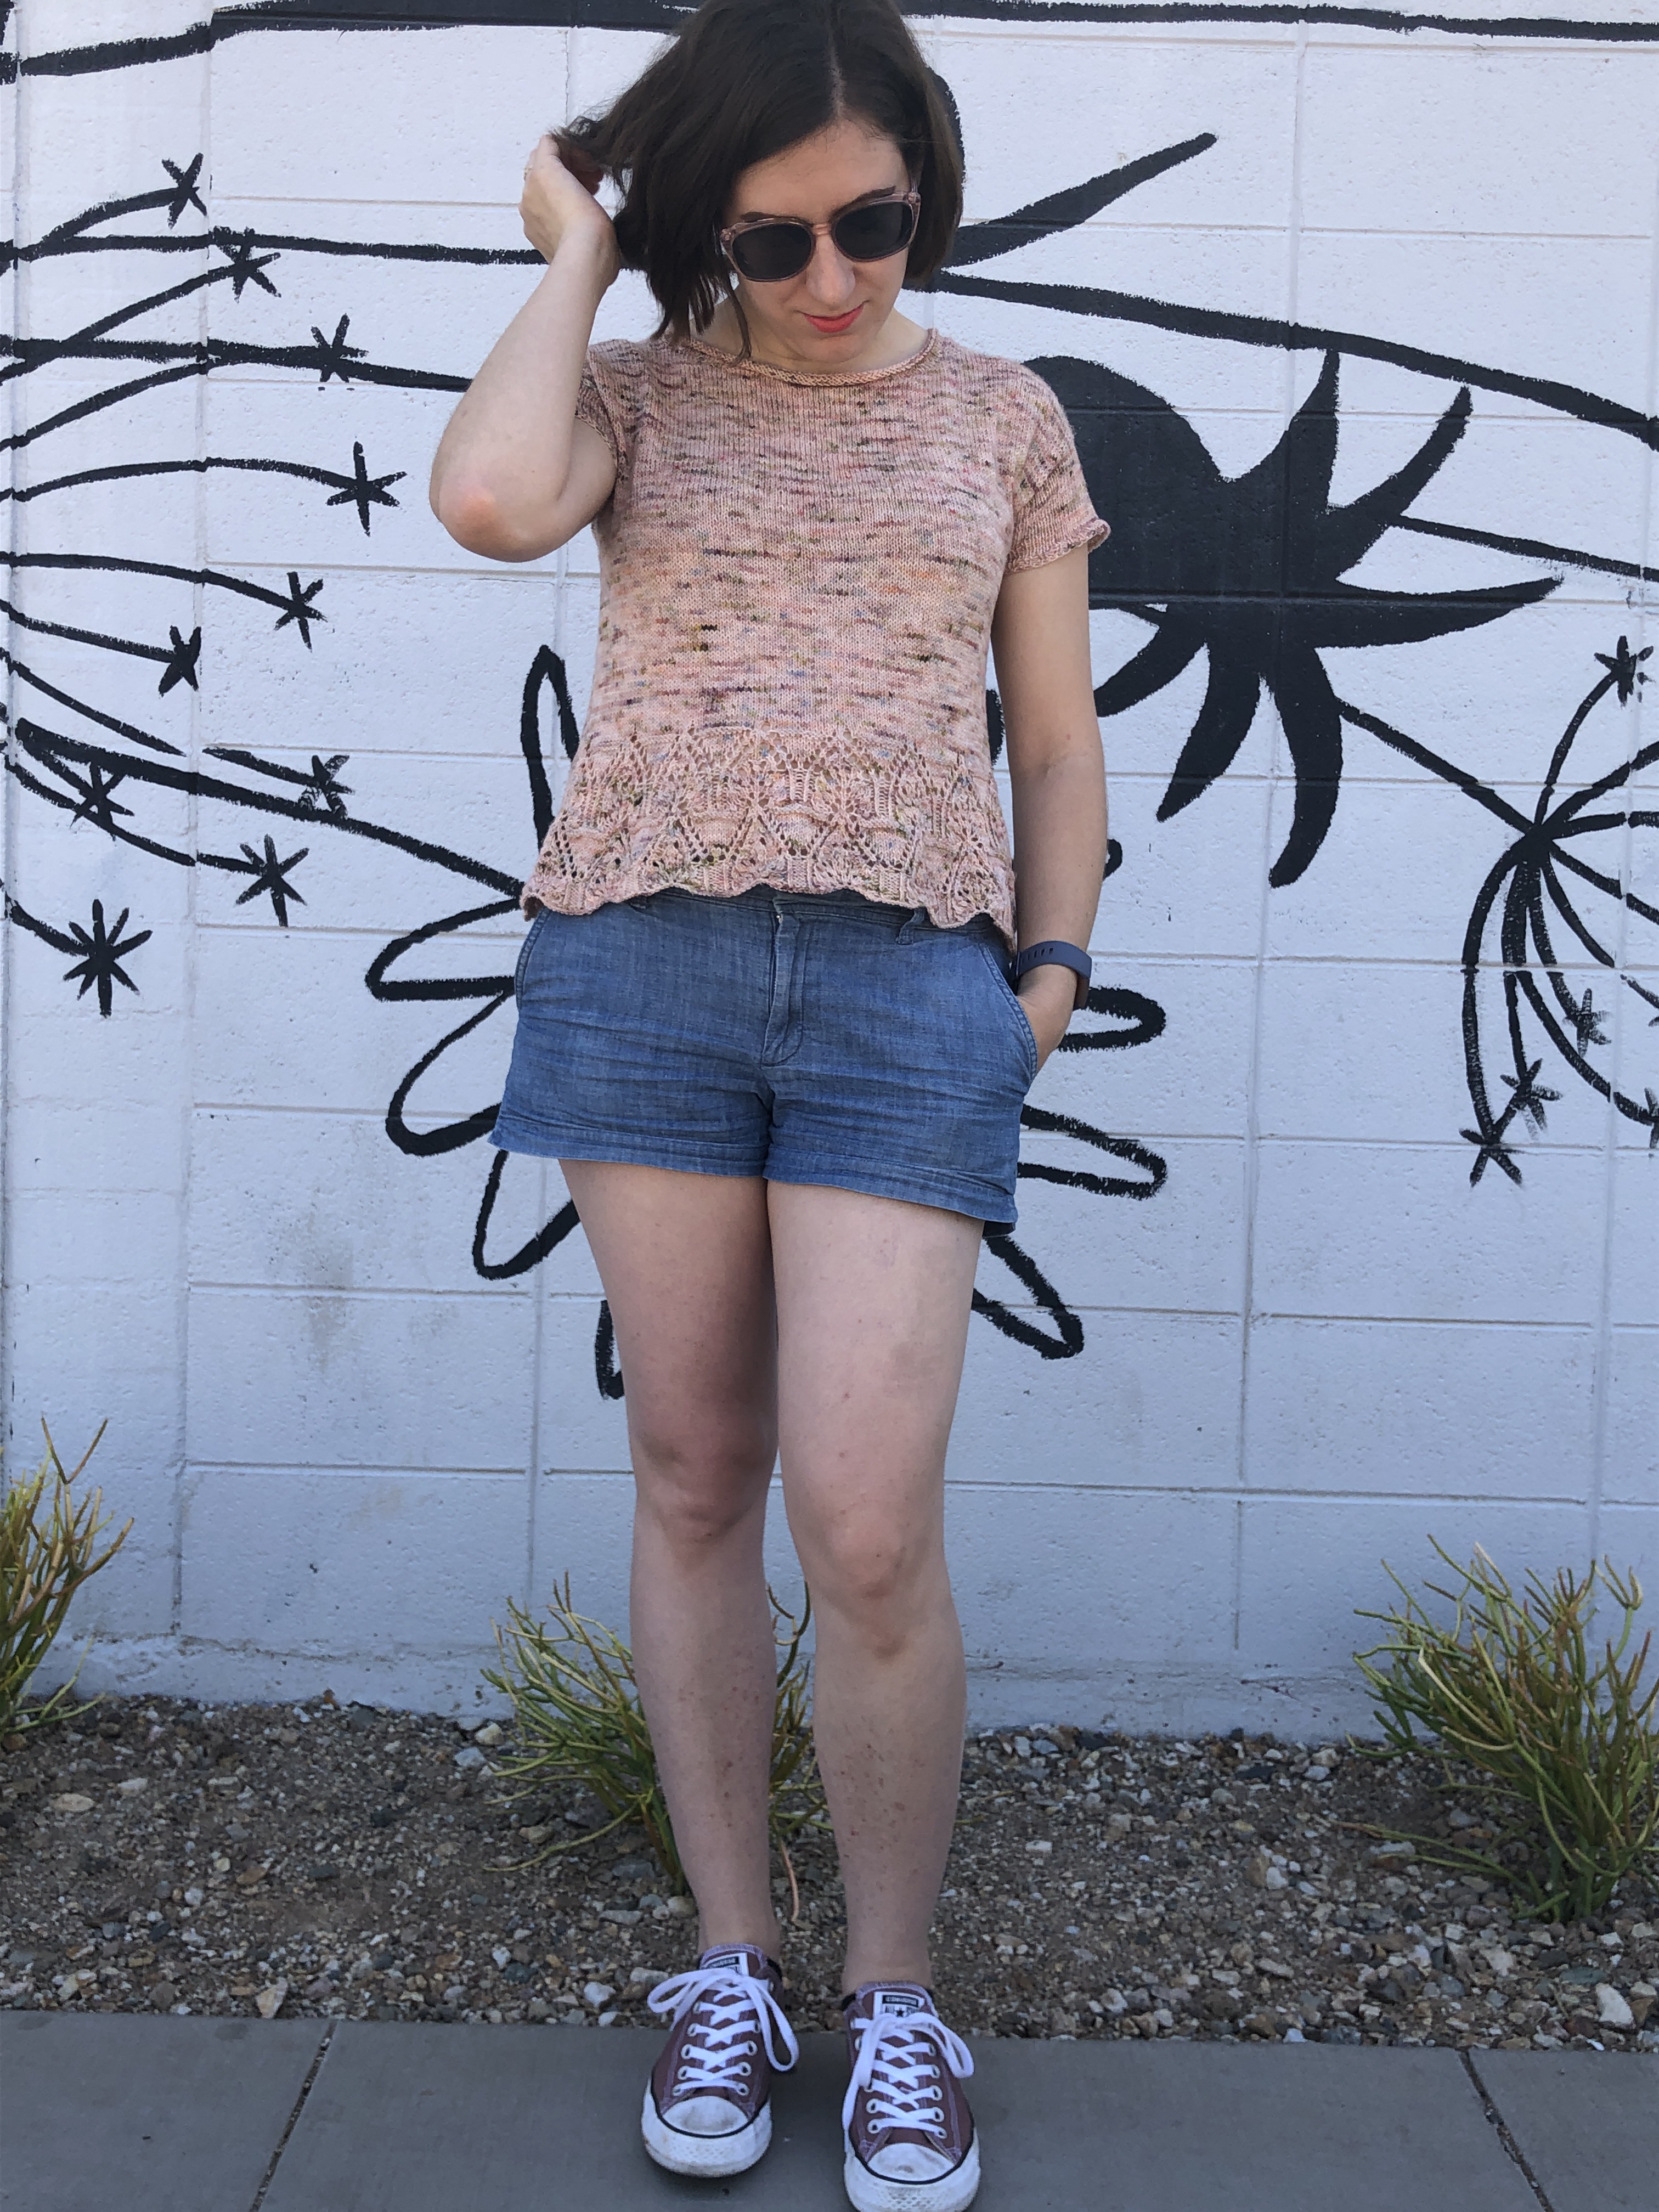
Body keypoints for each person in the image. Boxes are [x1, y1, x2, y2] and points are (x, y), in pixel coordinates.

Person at [430, 2, 1107, 2203]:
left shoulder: (1003, 420)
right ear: (699, 224)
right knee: (696, 1467)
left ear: (930, 181)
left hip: (915, 983)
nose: (833, 278)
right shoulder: (631, 397)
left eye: (880, 222)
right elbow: (488, 498)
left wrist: (1051, 977)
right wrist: (573, 254)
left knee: (872, 1518)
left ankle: (897, 2001)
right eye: (778, 235)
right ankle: (733, 1965)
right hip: (646, 961)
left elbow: (1058, 736)